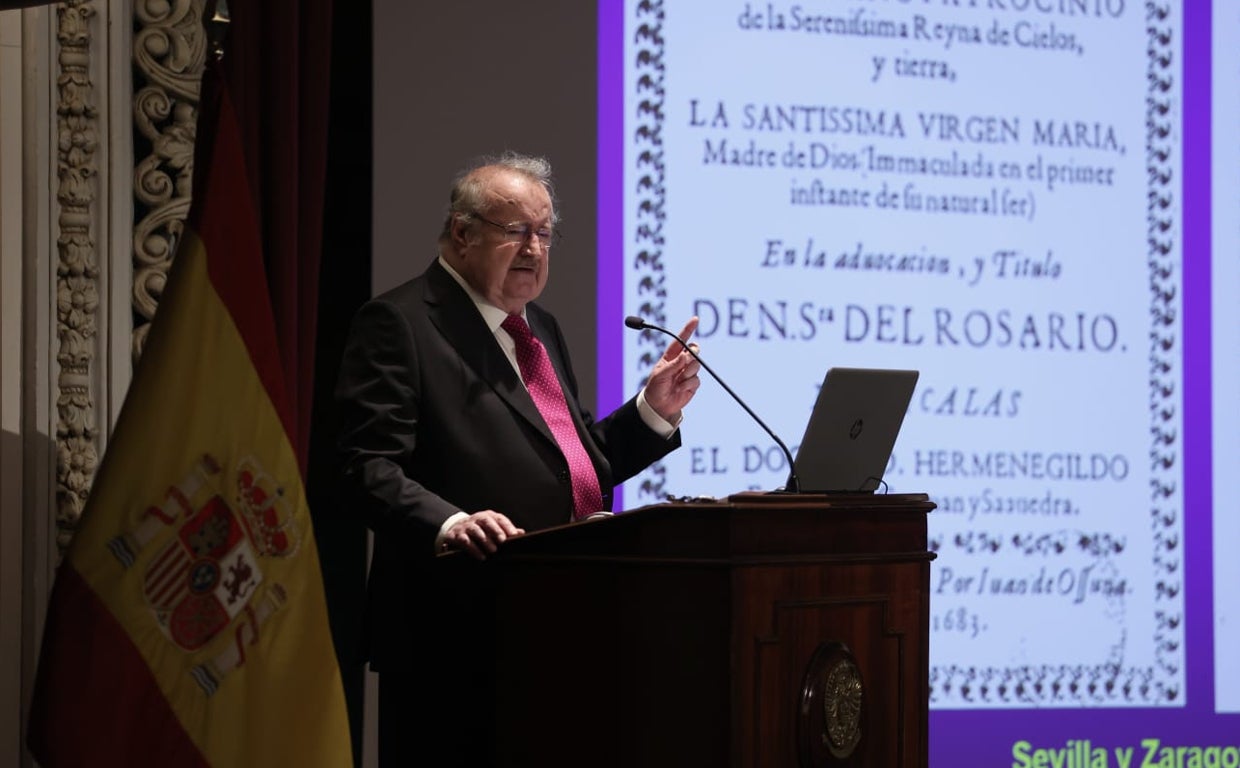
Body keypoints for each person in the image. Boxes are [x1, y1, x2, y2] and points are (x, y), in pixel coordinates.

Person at [334, 151, 701, 765]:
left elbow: (575, 465)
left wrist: (652, 410)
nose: (534, 248)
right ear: (461, 233)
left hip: (555, 626)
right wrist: (450, 523)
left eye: (544, 233)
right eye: (516, 231)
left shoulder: (540, 329)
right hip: (454, 630)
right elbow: (365, 465)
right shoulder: (399, 323)